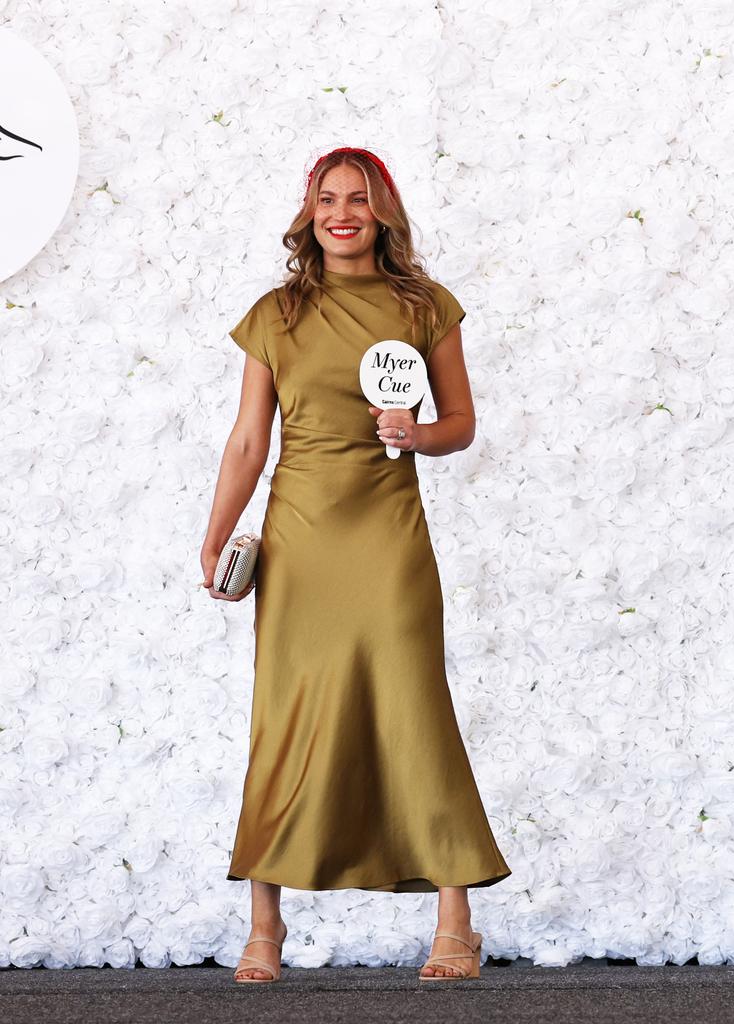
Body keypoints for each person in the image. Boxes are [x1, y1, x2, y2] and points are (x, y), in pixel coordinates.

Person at [200, 146, 510, 984]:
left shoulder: (424, 307)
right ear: (310, 212)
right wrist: (216, 532)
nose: (344, 212)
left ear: (383, 213)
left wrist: (416, 434)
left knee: (415, 711)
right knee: (286, 721)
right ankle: (265, 928)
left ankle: (456, 923)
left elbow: (462, 425)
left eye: (360, 200)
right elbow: (247, 441)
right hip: (299, 543)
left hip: (390, 539)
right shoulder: (276, 314)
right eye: (329, 199)